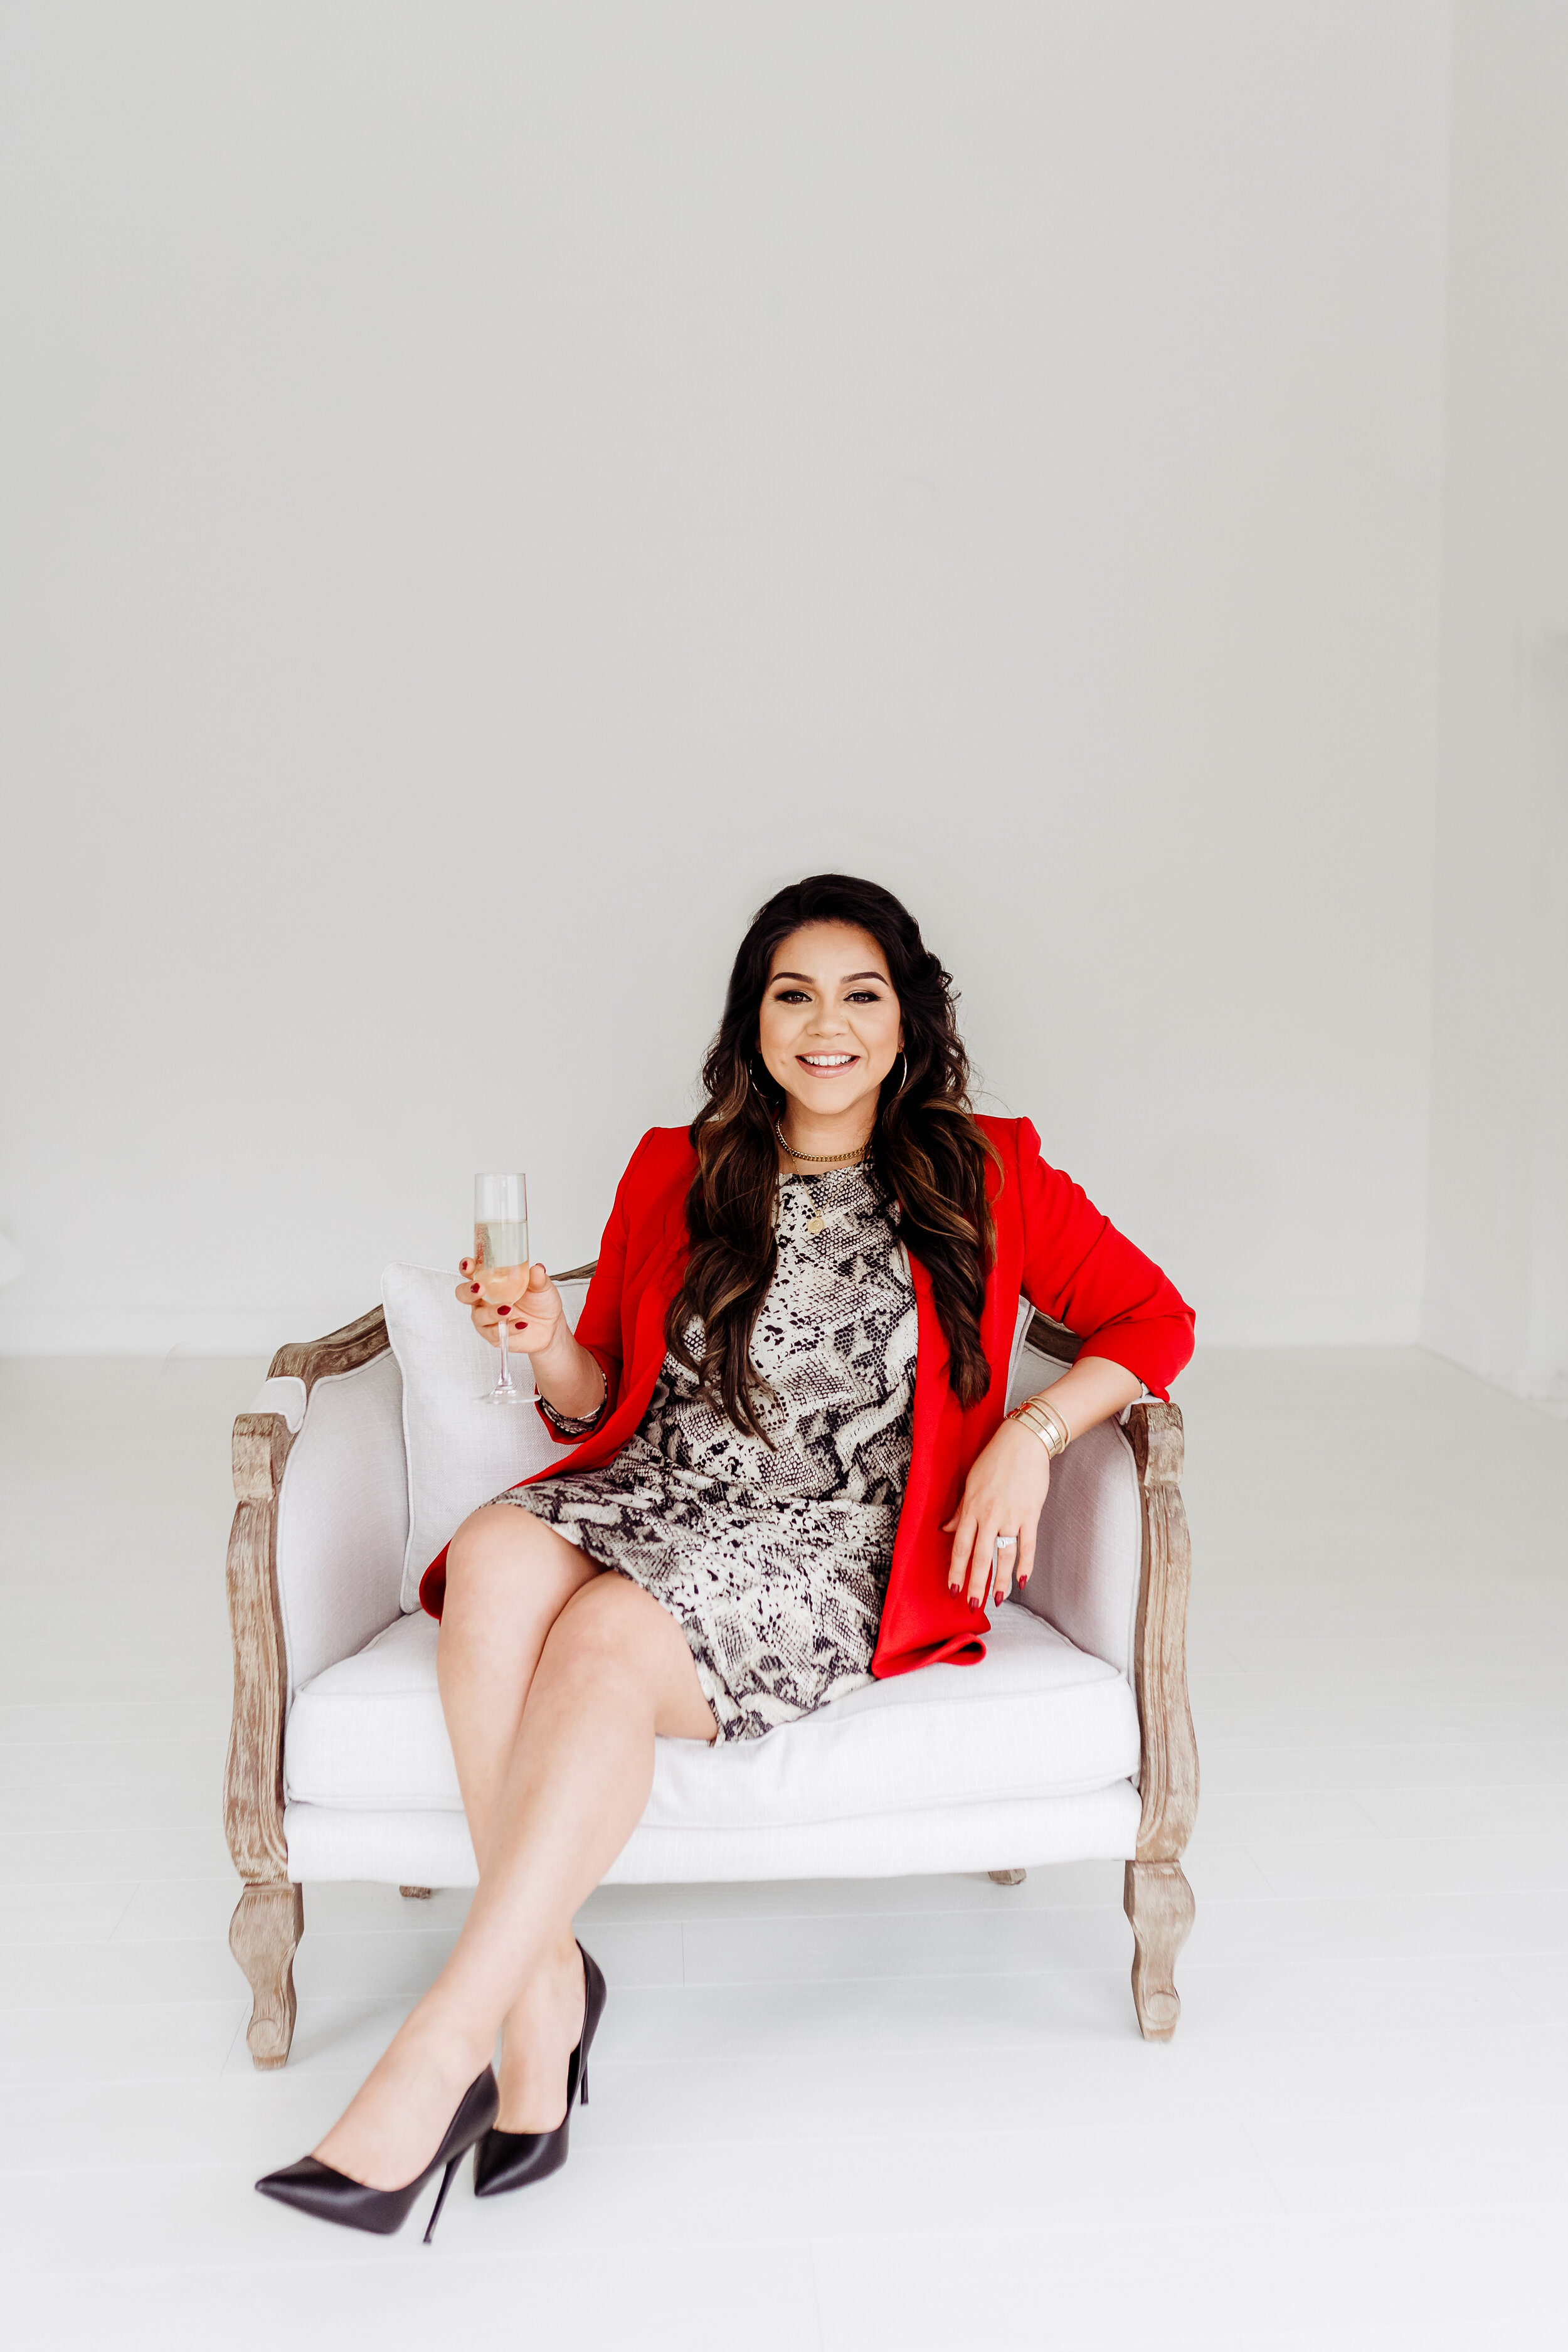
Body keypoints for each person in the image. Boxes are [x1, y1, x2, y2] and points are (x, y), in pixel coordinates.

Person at [257, 873, 1194, 2239]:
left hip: (831, 1543)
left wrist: (1033, 1434)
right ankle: (543, 1991)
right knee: (498, 1557)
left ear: (907, 1021)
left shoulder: (989, 1168)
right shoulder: (677, 1166)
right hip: (657, 1490)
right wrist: (541, 1344)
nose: (825, 1025)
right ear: (752, 1020)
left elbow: (1151, 1320)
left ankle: (440, 2049)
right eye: (791, 993)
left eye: (858, 995)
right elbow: (605, 1398)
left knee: (604, 1643)